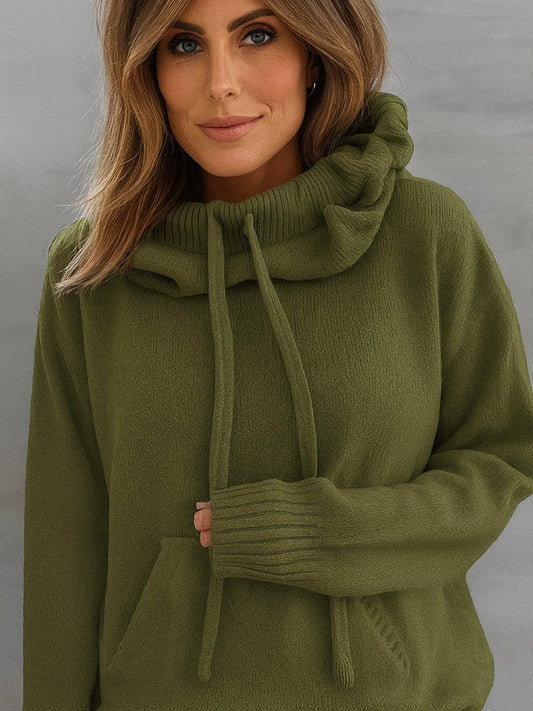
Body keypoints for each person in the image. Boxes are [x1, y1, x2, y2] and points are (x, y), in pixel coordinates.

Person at [22, 0, 533, 709]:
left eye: (257, 36)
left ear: (317, 53)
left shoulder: (423, 234)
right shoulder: (93, 271)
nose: (221, 83)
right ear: (145, 72)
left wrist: (320, 535)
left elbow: (501, 458)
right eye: (183, 45)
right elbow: (64, 539)